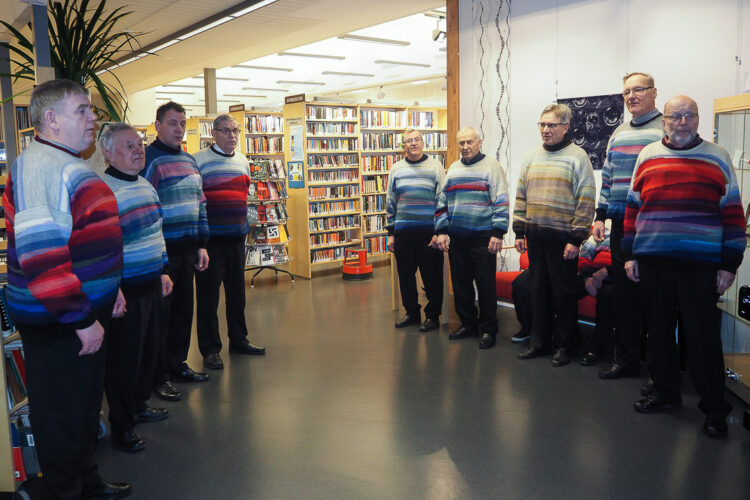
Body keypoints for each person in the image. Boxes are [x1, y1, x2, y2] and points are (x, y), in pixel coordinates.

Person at [2, 79, 131, 498]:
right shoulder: (42, 164)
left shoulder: (63, 160)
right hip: (62, 322)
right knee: (61, 419)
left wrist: (111, 292)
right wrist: (80, 318)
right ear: (51, 119)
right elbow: (42, 256)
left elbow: (83, 238)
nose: (93, 117)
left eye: (91, 110)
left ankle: (86, 485)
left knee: (81, 411)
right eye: (83, 110)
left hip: (80, 314)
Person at [623, 95, 745, 438]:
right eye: (675, 116)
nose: (682, 122)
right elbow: (632, 208)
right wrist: (629, 254)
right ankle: (665, 393)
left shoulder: (717, 157)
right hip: (653, 261)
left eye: (689, 115)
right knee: (659, 333)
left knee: (702, 338)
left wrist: (729, 264)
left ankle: (714, 409)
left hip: (700, 265)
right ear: (664, 121)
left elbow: (734, 214)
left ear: (697, 119)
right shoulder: (648, 156)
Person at [101, 123, 173, 453]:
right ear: (108, 152)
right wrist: (112, 288)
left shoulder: (146, 185)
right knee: (124, 361)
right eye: (128, 146)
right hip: (124, 290)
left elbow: (156, 233)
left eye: (139, 144)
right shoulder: (101, 190)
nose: (138, 150)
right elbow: (102, 249)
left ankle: (140, 405)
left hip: (151, 284)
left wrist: (163, 270)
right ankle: (122, 425)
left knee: (148, 353)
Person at [593, 72, 664, 380]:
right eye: (626, 92)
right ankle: (626, 361)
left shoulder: (666, 128)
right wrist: (600, 216)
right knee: (625, 297)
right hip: (622, 224)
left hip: (655, 225)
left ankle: (659, 371)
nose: (632, 96)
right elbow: (607, 178)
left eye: (638, 90)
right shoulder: (619, 133)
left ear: (653, 92)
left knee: (657, 300)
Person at [515, 103, 596, 366]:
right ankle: (539, 342)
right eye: (542, 125)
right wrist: (518, 231)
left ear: (565, 127)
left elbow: (586, 200)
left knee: (564, 295)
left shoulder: (578, 157)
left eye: (551, 125)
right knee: (538, 292)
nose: (546, 130)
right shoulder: (530, 157)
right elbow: (521, 195)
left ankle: (566, 345)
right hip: (535, 237)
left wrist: (577, 239)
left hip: (564, 242)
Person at [143, 101, 210, 401]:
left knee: (184, 312)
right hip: (163, 252)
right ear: (157, 125)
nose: (179, 129)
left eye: (182, 123)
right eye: (172, 123)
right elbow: (145, 211)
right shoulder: (148, 160)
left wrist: (202, 245)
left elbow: (201, 204)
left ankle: (177, 364)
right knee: (162, 318)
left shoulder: (190, 161)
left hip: (188, 247)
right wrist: (158, 260)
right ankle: (158, 376)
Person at [194, 114, 265, 370]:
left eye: (235, 130)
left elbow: (243, 197)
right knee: (208, 298)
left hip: (237, 239)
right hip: (210, 243)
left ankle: (239, 339)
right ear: (213, 133)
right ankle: (210, 349)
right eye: (226, 131)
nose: (232, 135)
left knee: (237, 295)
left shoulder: (243, 161)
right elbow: (196, 202)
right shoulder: (199, 160)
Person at [435, 127, 508, 349]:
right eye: (461, 143)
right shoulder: (454, 169)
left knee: (486, 286)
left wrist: (498, 232)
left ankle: (488, 329)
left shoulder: (492, 167)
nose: (465, 147)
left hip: (483, 238)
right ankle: (468, 323)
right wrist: (441, 230)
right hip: (458, 238)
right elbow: (442, 201)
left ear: (479, 142)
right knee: (461, 285)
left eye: (469, 142)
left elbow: (501, 201)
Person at [511, 228, 614, 364]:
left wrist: (602, 274)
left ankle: (586, 346)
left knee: (567, 289)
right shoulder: (597, 233)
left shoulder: (624, 232)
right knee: (526, 283)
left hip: (606, 277)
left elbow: (623, 261)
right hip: (581, 272)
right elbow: (584, 256)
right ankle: (534, 333)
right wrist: (585, 276)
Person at [386, 128, 446, 332]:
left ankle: (432, 316)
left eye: (416, 140)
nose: (412, 143)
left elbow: (442, 200)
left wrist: (439, 231)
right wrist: (391, 233)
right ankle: (411, 313)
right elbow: (390, 201)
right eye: (408, 141)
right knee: (405, 277)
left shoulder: (435, 166)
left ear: (423, 143)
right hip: (403, 234)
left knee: (432, 278)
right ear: (403, 146)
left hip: (429, 234)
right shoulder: (396, 169)